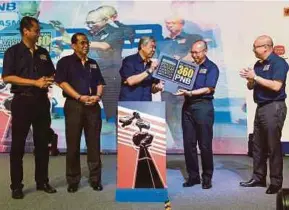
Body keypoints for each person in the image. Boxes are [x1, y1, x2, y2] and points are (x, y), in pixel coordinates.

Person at [2, 16, 57, 199]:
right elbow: (7, 77)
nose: (39, 33)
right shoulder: (13, 52)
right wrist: (34, 82)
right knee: (17, 146)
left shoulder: (43, 52)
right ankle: (16, 186)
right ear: (26, 31)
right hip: (22, 102)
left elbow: (51, 73)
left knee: (42, 145)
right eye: (37, 30)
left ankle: (42, 181)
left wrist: (49, 80)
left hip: (41, 102)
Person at [55, 32, 105, 193]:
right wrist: (79, 97)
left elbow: (100, 82)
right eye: (82, 43)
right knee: (73, 145)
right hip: (74, 105)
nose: (86, 45)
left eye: (87, 42)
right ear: (73, 45)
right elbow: (62, 83)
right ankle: (73, 179)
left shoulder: (93, 63)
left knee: (94, 144)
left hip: (93, 106)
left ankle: (95, 179)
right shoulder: (65, 62)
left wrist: (97, 96)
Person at [239, 35, 288, 194]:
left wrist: (256, 77)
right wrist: (250, 79)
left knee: (273, 146)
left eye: (256, 46)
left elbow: (276, 86)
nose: (254, 49)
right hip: (260, 107)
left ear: (266, 47)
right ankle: (258, 177)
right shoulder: (257, 64)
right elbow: (251, 86)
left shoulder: (279, 63)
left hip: (274, 107)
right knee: (258, 145)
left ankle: (276, 181)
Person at [175, 40, 219, 189]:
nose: (194, 55)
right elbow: (178, 81)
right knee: (189, 144)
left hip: (203, 107)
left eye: (197, 52)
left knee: (205, 145)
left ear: (205, 51)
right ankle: (193, 177)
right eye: (192, 52)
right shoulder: (189, 66)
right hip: (187, 107)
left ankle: (207, 177)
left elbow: (209, 89)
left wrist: (191, 92)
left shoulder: (212, 68)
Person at [157, 16, 202, 147]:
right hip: (167, 84)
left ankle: (189, 142)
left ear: (181, 24)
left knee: (187, 114)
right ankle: (179, 142)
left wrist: (176, 61)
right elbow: (158, 62)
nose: (169, 25)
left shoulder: (193, 38)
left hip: (187, 83)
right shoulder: (162, 42)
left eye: (172, 23)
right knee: (169, 113)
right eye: (167, 23)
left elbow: (194, 57)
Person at [86, 7, 134, 121]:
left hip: (110, 74)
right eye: (88, 22)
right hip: (91, 74)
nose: (90, 25)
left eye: (94, 22)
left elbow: (105, 46)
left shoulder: (121, 30)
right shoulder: (90, 33)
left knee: (112, 110)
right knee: (89, 109)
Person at [119, 36, 164, 101]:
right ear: (142, 46)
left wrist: (157, 88)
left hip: (146, 104)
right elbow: (130, 81)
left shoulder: (152, 65)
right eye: (151, 47)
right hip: (129, 104)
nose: (153, 50)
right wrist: (149, 70)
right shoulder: (129, 60)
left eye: (155, 48)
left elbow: (152, 89)